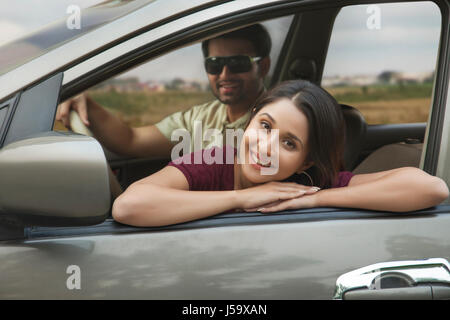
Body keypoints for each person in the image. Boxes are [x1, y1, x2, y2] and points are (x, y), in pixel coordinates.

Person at [111, 80, 449, 227]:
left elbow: (430, 189)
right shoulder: (212, 161)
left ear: (307, 161)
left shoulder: (309, 182)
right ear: (249, 123)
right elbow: (130, 206)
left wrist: (317, 200)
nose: (266, 147)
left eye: (289, 143)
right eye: (265, 126)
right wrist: (239, 198)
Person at [56, 24, 271, 158]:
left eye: (237, 63)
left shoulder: (276, 119)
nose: (224, 74)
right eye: (214, 64)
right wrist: (82, 100)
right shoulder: (200, 117)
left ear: (263, 67)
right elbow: (132, 140)